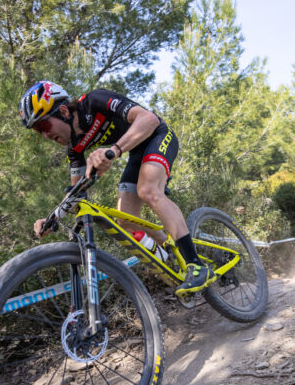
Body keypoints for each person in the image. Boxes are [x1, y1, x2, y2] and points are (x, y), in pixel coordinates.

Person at [19, 80, 215, 297]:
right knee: (125, 220)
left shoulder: (93, 102)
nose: (45, 136)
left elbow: (147, 118)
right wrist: (53, 217)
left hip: (157, 135)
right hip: (136, 152)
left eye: (44, 126)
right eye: (38, 131)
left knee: (148, 190)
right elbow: (75, 194)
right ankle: (172, 251)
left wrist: (113, 151)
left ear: (63, 111)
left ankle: (197, 265)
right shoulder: (74, 148)